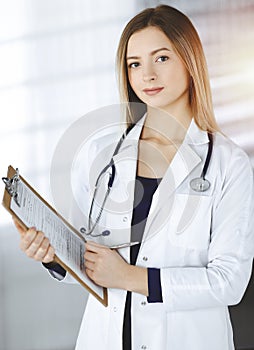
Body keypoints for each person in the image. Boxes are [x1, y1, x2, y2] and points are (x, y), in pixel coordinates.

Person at [14, 4, 254, 350]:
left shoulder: (227, 164)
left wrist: (129, 277)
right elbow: (89, 261)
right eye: (135, 64)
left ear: (190, 60)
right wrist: (52, 254)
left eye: (162, 58)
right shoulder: (103, 153)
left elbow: (228, 282)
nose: (147, 76)